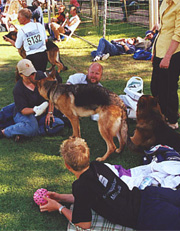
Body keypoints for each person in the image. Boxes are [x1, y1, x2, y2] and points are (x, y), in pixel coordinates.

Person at [39, 137, 180, 230]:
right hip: (149, 194)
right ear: (88, 155)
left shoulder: (81, 186)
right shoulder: (99, 166)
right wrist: (60, 197)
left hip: (146, 213)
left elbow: (83, 224)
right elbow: (89, 196)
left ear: (67, 165)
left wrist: (59, 207)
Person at [0, 59, 64, 141]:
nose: (32, 76)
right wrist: (36, 109)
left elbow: (51, 94)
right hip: (24, 114)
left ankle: (23, 132)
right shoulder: (18, 89)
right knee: (32, 127)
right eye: (28, 74)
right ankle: (4, 132)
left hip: (42, 114)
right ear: (21, 74)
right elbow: (23, 110)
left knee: (58, 123)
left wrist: (50, 113)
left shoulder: (41, 77)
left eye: (33, 73)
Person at [151, 0, 180, 130]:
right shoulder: (164, 2)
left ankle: (172, 121)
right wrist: (154, 51)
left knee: (169, 89)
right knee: (156, 87)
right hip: (160, 50)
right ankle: (161, 116)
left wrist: (168, 57)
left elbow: (178, 35)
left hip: (172, 53)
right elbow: (163, 28)